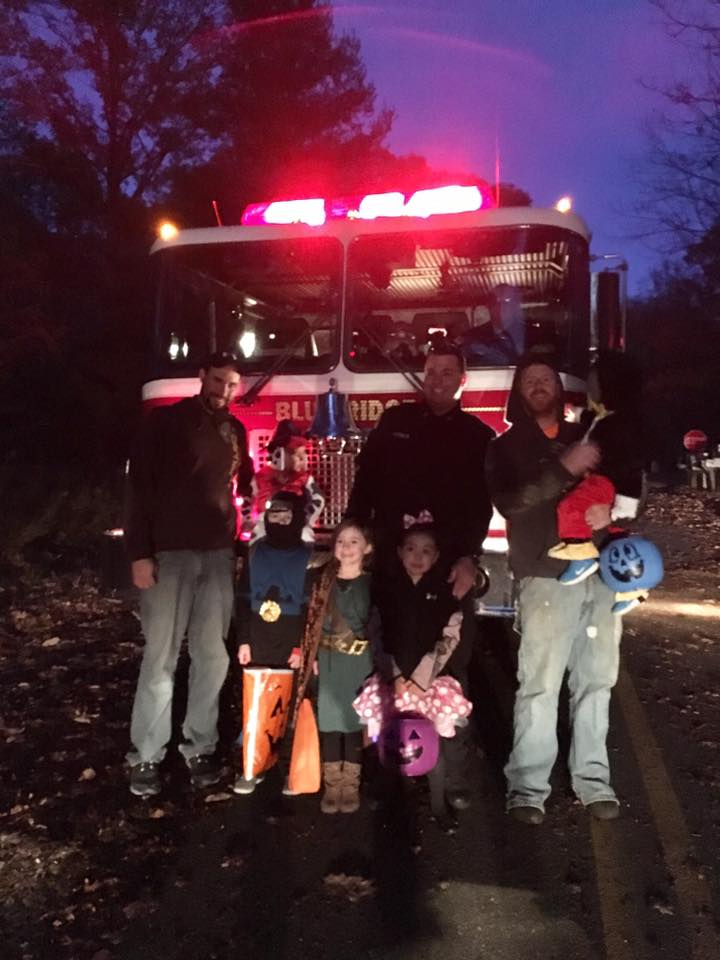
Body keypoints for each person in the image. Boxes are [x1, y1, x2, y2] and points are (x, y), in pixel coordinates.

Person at [486, 355, 622, 824]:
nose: (539, 385)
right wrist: (565, 468)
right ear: (519, 392)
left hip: (602, 574)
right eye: (530, 380)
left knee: (597, 681)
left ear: (558, 388)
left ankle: (593, 780)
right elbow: (510, 501)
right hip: (544, 576)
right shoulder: (504, 448)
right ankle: (527, 788)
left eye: (546, 378)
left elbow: (625, 486)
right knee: (540, 684)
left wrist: (614, 514)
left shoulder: (588, 436)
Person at [124, 351, 253, 798]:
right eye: (217, 380)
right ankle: (146, 755)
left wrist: (241, 543)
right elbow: (139, 487)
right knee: (160, 658)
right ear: (201, 376)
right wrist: (140, 554)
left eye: (232, 384)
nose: (223, 391)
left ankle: (200, 746)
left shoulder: (234, 430)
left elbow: (242, 487)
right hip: (170, 554)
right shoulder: (167, 423)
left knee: (213, 657)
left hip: (217, 555)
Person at [346, 341, 494, 602]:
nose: (437, 380)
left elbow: (480, 506)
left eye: (447, 373)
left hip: (447, 561)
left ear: (463, 380)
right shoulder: (394, 420)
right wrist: (352, 530)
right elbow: (366, 480)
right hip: (390, 554)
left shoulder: (478, 436)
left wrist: (469, 556)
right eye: (431, 372)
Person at [353, 521, 474, 815]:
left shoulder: (445, 594)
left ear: (436, 556)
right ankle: (384, 788)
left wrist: (422, 678)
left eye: (426, 551)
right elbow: (376, 632)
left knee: (436, 738)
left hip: (429, 682)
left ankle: (441, 799)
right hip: (392, 680)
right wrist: (394, 673)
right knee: (384, 736)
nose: (417, 557)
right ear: (399, 552)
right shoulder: (387, 591)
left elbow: (449, 636)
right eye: (410, 549)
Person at [547, 351, 647, 613]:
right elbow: (591, 420)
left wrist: (623, 506)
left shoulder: (622, 426)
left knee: (570, 508)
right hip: (607, 483)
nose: (590, 390)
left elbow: (632, 468)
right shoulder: (606, 418)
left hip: (604, 482)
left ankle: (580, 552)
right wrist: (576, 413)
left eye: (595, 384)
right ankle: (633, 588)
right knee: (618, 541)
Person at [233, 492, 313, 795]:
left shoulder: (309, 557)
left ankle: (291, 768)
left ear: (297, 518)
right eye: (274, 515)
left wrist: (301, 645)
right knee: (257, 702)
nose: (280, 521)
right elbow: (242, 598)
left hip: (290, 641)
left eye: (286, 515)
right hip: (258, 637)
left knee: (290, 706)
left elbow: (311, 608)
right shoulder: (255, 552)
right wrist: (244, 640)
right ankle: (253, 765)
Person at [295, 520, 373, 815]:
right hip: (328, 662)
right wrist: (310, 655)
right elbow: (310, 620)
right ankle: (332, 784)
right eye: (341, 541)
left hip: (360, 663)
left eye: (354, 541)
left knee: (353, 723)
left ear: (367, 547)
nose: (347, 547)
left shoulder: (373, 584)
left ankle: (350, 784)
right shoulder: (320, 580)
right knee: (328, 723)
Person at [251, 420, 324, 543]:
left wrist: (306, 519)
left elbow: (318, 499)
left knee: (304, 537)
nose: (302, 459)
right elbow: (249, 499)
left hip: (296, 526)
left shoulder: (304, 479)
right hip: (266, 525)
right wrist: (249, 520)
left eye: (303, 454)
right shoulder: (261, 477)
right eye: (297, 454)